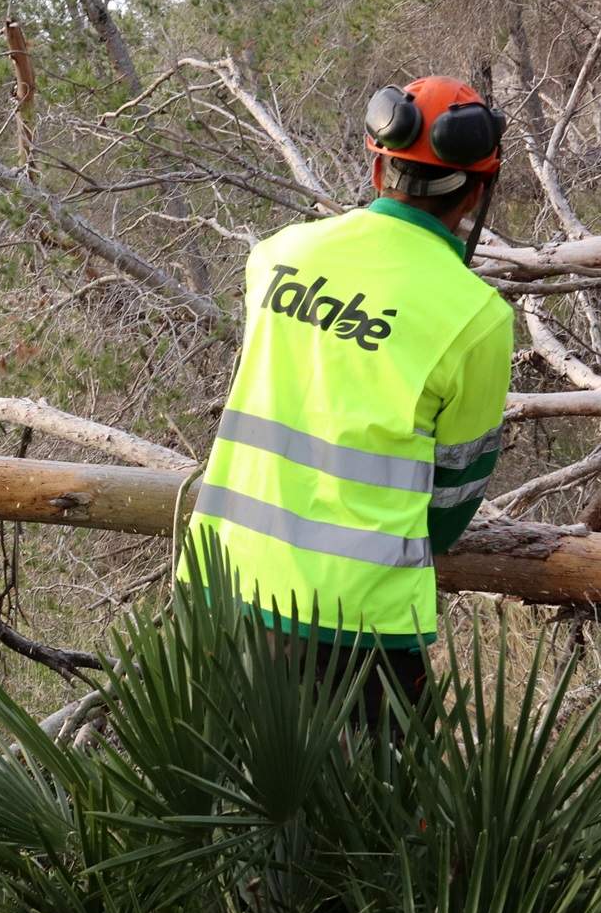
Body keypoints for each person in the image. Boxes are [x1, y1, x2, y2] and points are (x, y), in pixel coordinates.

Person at [185, 76, 515, 725]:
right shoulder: (478, 318)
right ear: (478, 191)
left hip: (223, 585)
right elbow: (452, 501)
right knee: (379, 823)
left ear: (376, 163)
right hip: (360, 630)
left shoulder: (277, 255)